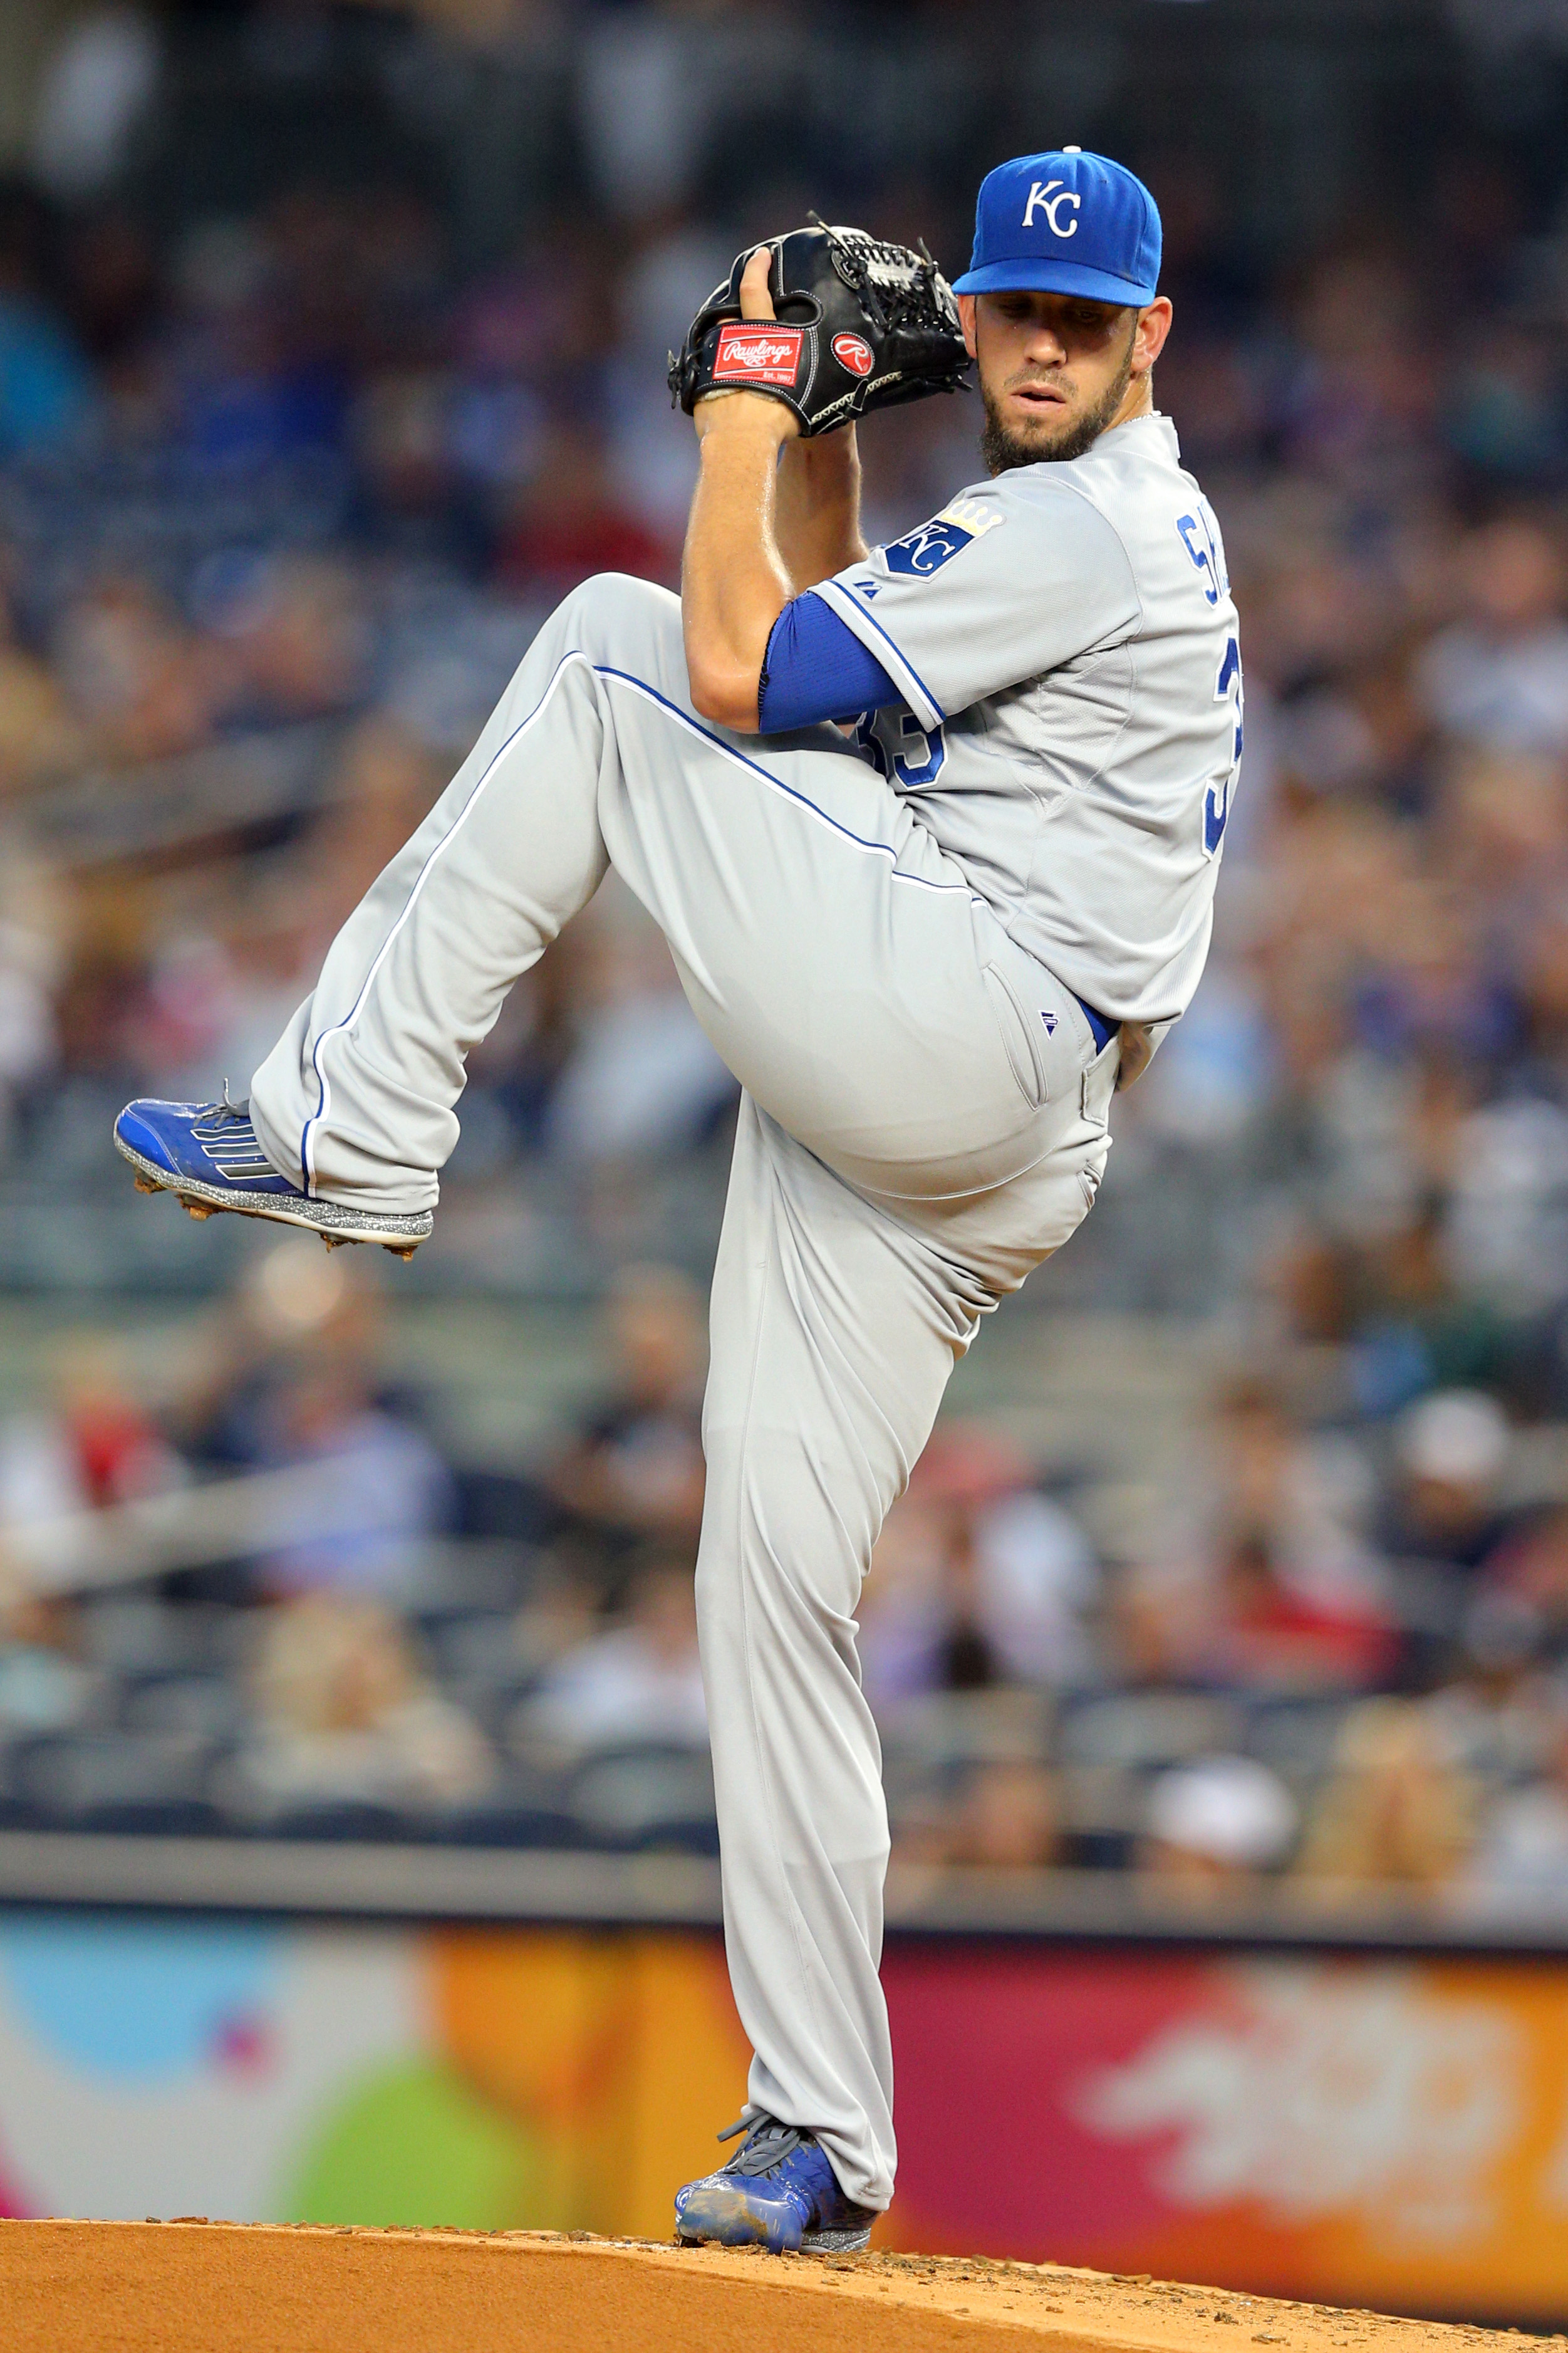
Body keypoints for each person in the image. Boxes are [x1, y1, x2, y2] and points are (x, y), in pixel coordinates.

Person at [110, 149, 1237, 2254]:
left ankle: (352, 1126)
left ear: (1154, 335)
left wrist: (738, 396)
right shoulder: (1064, 524)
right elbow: (820, 674)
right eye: (1017, 309)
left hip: (971, 1027)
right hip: (963, 1090)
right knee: (772, 1588)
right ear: (980, 318)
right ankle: (821, 2133)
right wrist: (815, 434)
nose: (1049, 340)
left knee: (614, 640)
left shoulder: (1085, 522)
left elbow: (721, 673)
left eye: (1091, 316)